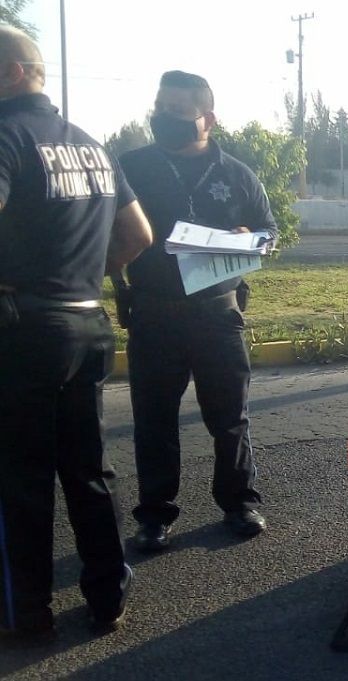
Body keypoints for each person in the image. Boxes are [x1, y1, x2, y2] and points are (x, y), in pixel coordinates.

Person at [0, 27, 153, 643]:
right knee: (89, 470)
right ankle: (107, 599)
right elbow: (138, 234)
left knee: (20, 478)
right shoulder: (89, 144)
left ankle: (25, 613)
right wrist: (84, 275)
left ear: (11, 73)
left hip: (24, 331)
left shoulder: (7, 136)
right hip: (88, 323)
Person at [118, 71, 279, 551]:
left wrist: (246, 238)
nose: (164, 118)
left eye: (177, 111)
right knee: (153, 420)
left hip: (217, 313)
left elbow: (270, 235)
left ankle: (239, 503)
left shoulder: (237, 174)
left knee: (230, 417)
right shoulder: (131, 166)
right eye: (160, 107)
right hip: (152, 312)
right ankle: (155, 515)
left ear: (207, 118)